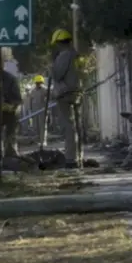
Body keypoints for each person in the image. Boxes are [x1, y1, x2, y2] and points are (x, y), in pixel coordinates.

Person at [48, 29, 82, 166]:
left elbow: (57, 75)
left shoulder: (64, 55)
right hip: (76, 93)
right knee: (76, 126)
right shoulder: (76, 55)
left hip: (65, 94)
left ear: (59, 43)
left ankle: (70, 159)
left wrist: (51, 67)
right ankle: (78, 156)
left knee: (68, 126)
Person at [25, 75, 49, 145]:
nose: (38, 84)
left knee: (42, 126)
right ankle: (37, 140)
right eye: (37, 83)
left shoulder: (45, 90)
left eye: (39, 82)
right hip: (35, 111)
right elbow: (30, 100)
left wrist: (47, 109)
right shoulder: (33, 90)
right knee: (35, 126)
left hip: (42, 110)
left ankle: (43, 141)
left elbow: (49, 99)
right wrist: (30, 109)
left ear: (42, 82)